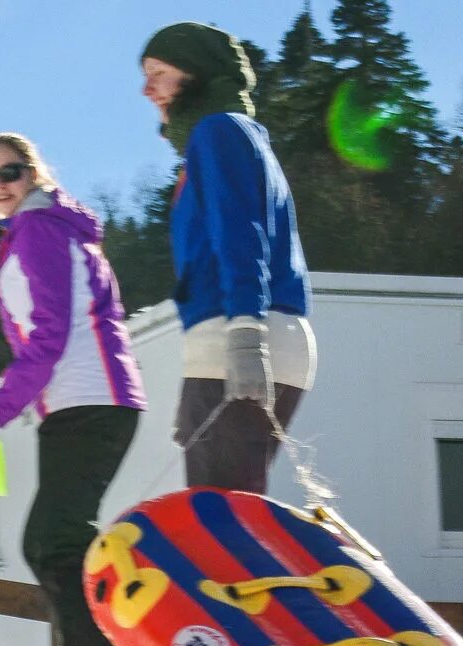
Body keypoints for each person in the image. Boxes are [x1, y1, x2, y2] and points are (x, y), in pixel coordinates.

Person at [0, 134, 148, 646]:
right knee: (60, 539)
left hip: (89, 400)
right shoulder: (37, 230)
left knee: (54, 541)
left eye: (10, 172)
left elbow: (50, 335)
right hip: (79, 403)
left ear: (34, 172)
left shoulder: (41, 230)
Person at [141, 21, 317, 494]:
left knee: (218, 526)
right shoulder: (238, 136)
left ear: (195, 70)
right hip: (248, 332)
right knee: (229, 510)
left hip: (237, 329)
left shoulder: (218, 131)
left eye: (158, 72)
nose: (147, 89)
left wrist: (243, 336)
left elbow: (241, 233)